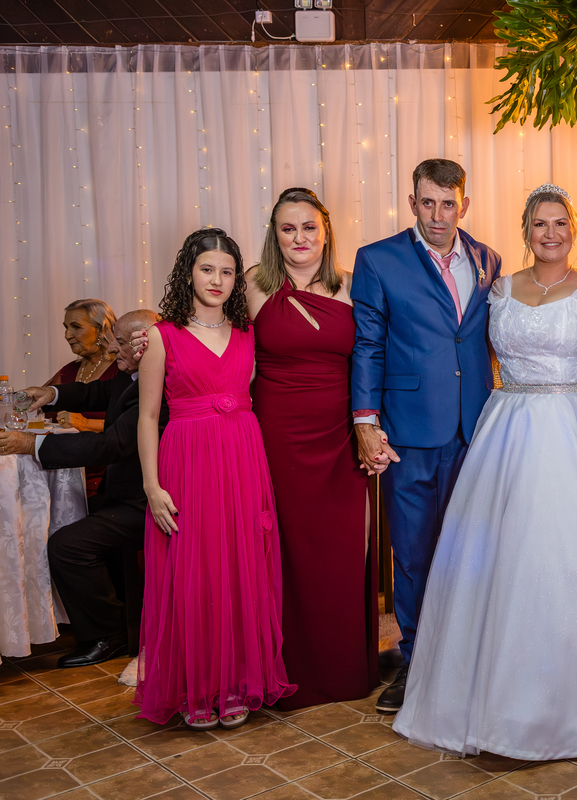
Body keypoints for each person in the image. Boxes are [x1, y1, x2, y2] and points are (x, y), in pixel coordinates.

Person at [394, 185, 577, 759]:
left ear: (573, 229)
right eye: (539, 225)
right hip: (506, 429)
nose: (550, 234)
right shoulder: (498, 288)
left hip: (575, 426)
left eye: (559, 223)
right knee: (499, 561)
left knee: (573, 557)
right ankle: (494, 701)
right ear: (526, 231)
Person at [351, 159, 502, 714]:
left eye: (448, 203)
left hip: (476, 430)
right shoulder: (378, 259)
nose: (438, 215)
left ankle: (465, 657)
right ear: (412, 203)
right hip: (409, 431)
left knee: (471, 551)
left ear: (464, 205)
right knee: (413, 554)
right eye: (428, 203)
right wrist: (365, 422)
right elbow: (368, 344)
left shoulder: (488, 259)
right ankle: (417, 663)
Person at [136, 228, 295, 730]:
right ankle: (197, 687)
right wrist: (152, 486)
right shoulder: (162, 336)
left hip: (243, 458)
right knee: (196, 573)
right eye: (207, 269)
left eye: (227, 272)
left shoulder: (248, 333)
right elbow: (147, 418)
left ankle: (236, 682)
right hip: (187, 461)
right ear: (188, 273)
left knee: (239, 569)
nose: (217, 280)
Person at [247, 188, 377, 710]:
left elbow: (375, 355)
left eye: (308, 227)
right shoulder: (252, 286)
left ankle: (342, 670)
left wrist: (371, 426)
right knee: (284, 548)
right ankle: (287, 670)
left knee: (341, 549)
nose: (299, 238)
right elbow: (208, 333)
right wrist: (155, 343)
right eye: (288, 228)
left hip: (341, 434)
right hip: (276, 434)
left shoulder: (354, 284)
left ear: (325, 231)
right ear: (274, 235)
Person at [0, 309, 163, 668]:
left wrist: (32, 444)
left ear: (145, 344)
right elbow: (96, 392)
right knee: (67, 525)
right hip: (123, 493)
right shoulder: (131, 376)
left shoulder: (158, 387)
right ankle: (118, 622)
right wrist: (50, 393)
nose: (112, 350)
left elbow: (111, 446)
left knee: (67, 545)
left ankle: (110, 634)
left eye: (120, 343)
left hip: (148, 502)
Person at [46, 298, 121, 495]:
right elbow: (40, 405)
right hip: (65, 468)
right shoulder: (69, 370)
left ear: (102, 329)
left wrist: (86, 423)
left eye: (76, 327)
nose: (67, 335)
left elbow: (131, 426)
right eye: (66, 328)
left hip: (106, 473)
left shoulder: (122, 369)